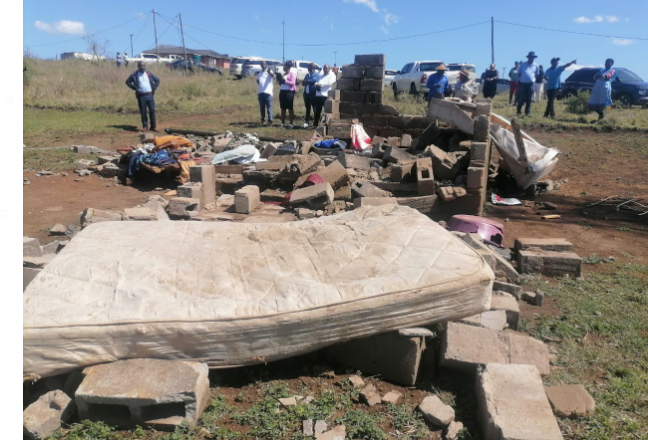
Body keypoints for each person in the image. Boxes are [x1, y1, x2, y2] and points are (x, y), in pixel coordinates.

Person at [125, 61, 161, 132]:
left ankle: (153, 126)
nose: (143, 68)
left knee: (152, 111)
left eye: (144, 66)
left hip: (150, 95)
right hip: (141, 96)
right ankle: (145, 126)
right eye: (141, 66)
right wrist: (135, 88)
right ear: (138, 67)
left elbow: (157, 80)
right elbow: (127, 82)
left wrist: (153, 88)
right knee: (143, 111)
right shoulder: (134, 75)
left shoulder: (148, 74)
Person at [588, 58, 617, 122]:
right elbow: (595, 77)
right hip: (597, 86)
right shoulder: (602, 70)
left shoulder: (612, 71)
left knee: (603, 102)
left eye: (608, 63)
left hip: (604, 87)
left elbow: (606, 77)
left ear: (611, 64)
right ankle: (601, 114)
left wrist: (601, 76)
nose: (606, 64)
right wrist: (599, 76)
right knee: (592, 103)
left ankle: (604, 117)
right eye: (606, 62)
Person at [516, 51, 540, 116]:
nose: (531, 58)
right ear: (528, 57)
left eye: (533, 57)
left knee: (529, 99)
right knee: (521, 98)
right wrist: (523, 79)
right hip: (522, 84)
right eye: (530, 57)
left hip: (531, 84)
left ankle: (527, 112)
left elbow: (536, 74)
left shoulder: (536, 65)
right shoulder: (523, 64)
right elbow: (519, 73)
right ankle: (518, 111)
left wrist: (531, 79)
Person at [277, 61, 297, 128]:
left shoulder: (292, 74)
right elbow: (280, 83)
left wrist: (285, 81)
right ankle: (283, 123)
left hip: (289, 92)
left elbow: (293, 83)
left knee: (290, 108)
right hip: (282, 91)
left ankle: (291, 123)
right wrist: (279, 80)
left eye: (284, 66)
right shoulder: (283, 74)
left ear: (288, 67)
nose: (283, 67)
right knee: (283, 107)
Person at [256, 61, 274, 125]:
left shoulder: (269, 71)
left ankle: (270, 120)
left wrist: (269, 72)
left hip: (268, 92)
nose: (263, 65)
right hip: (261, 92)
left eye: (264, 64)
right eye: (262, 64)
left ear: (266, 65)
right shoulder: (259, 73)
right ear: (260, 65)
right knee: (262, 107)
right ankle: (263, 119)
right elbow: (258, 81)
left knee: (269, 107)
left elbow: (272, 76)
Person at [301, 64, 317, 128]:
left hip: (312, 94)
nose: (308, 68)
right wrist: (306, 81)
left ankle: (315, 122)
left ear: (313, 68)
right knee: (307, 108)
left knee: (314, 108)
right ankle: (306, 122)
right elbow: (303, 82)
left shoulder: (316, 74)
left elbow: (314, 81)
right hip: (306, 94)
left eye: (309, 67)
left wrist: (307, 81)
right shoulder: (307, 75)